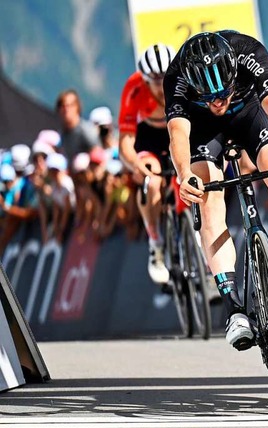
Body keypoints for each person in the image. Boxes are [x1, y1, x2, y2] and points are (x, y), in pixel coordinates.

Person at [163, 31, 268, 350]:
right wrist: (183, 175)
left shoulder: (248, 52)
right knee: (207, 196)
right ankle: (233, 308)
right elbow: (178, 133)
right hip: (204, 132)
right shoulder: (177, 75)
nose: (218, 102)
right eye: (209, 96)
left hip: (249, 115)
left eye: (223, 93)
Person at [118, 43, 175, 284]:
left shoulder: (186, 79)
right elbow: (125, 144)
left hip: (177, 132)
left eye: (166, 80)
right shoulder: (134, 89)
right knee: (151, 182)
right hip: (148, 138)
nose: (162, 88)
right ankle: (156, 244)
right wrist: (135, 166)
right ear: (144, 79)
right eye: (155, 82)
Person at [56, 89, 101, 160]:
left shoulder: (86, 130)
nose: (66, 110)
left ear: (77, 107)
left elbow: (98, 152)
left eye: (70, 105)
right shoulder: (62, 133)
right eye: (62, 106)